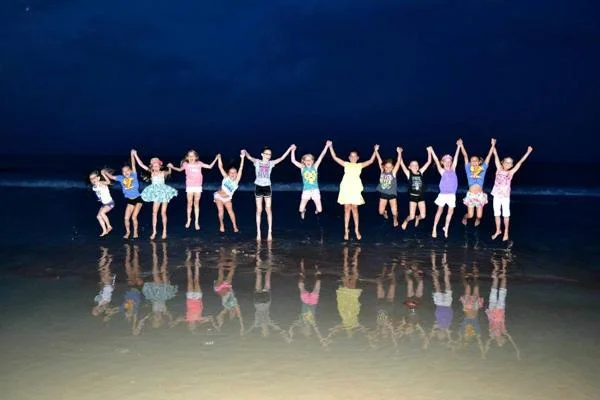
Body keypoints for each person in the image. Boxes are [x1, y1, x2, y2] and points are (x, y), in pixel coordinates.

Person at [243, 145, 295, 241]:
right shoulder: (257, 162)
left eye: (270, 154)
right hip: (258, 187)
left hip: (267, 187)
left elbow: (281, 158)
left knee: (268, 209)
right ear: (262, 154)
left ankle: (269, 232)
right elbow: (249, 157)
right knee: (259, 210)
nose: (268, 156)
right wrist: (245, 151)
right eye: (266, 154)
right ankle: (258, 233)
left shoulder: (271, 163)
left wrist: (290, 148)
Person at [329, 143, 379, 240]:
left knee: (355, 208)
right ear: (349, 157)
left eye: (355, 156)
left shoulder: (360, 165)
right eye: (351, 156)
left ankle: (356, 229)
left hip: (355, 188)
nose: (353, 158)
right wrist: (330, 147)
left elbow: (371, 161)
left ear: (357, 158)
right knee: (347, 208)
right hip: (346, 188)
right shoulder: (346, 164)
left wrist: (375, 150)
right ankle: (346, 230)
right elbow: (335, 157)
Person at [490, 144, 533, 241]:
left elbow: (520, 162)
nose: (508, 164)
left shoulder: (511, 172)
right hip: (496, 195)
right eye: (506, 162)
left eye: (510, 163)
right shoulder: (499, 168)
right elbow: (495, 155)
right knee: (496, 214)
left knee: (506, 215)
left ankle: (506, 232)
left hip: (505, 197)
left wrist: (528, 152)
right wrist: (493, 145)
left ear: (512, 165)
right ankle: (498, 231)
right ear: (502, 163)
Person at [168, 150, 219, 231]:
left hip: (198, 187)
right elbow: (180, 169)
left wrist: (216, 158)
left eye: (193, 156)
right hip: (189, 186)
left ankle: (196, 222)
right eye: (189, 156)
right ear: (187, 157)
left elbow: (209, 166)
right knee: (189, 203)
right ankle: (189, 219)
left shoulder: (199, 163)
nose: (191, 157)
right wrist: (172, 167)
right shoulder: (185, 164)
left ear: (196, 157)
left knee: (196, 204)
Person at [132, 150, 177, 240]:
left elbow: (169, 172)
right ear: (151, 167)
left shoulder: (163, 173)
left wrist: (170, 167)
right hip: (155, 194)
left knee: (163, 212)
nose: (155, 167)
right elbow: (141, 164)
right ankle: (154, 231)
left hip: (164, 192)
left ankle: (164, 231)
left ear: (160, 166)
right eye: (154, 166)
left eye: (157, 165)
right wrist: (135, 154)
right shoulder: (151, 172)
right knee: (154, 213)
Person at [101, 150, 143, 239]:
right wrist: (105, 172)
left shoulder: (134, 175)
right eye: (124, 171)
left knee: (134, 217)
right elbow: (112, 177)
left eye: (127, 170)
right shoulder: (121, 178)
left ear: (131, 171)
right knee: (126, 218)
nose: (126, 172)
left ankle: (135, 232)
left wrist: (132, 154)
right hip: (130, 200)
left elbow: (133, 165)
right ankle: (128, 232)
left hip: (138, 199)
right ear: (122, 173)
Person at [459, 139, 496, 227]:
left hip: (480, 195)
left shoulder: (483, 169)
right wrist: (461, 145)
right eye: (472, 160)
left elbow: (489, 156)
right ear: (470, 162)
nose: (474, 161)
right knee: (470, 215)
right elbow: (465, 155)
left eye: (476, 160)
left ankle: (478, 219)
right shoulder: (468, 169)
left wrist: (493, 145)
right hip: (471, 195)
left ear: (479, 162)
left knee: (479, 216)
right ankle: (465, 217)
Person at [290, 141, 331, 219]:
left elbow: (322, 156)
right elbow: (293, 161)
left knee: (320, 210)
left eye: (310, 160)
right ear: (304, 161)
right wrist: (293, 150)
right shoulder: (302, 168)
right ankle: (304, 211)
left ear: (313, 161)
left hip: (315, 190)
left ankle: (316, 211)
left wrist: (327, 146)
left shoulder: (315, 167)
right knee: (300, 209)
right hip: (306, 191)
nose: (308, 161)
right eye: (306, 160)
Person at [430, 141, 461, 238]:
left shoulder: (453, 169)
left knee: (450, 212)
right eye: (446, 161)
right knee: (439, 211)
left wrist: (459, 146)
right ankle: (434, 228)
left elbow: (456, 157)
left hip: (452, 195)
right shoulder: (442, 170)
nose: (448, 163)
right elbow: (436, 159)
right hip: (443, 194)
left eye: (449, 161)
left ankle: (446, 227)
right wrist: (431, 150)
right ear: (442, 163)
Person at [398, 147, 433, 230]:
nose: (415, 166)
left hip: (421, 197)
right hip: (412, 197)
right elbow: (401, 162)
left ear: (418, 166)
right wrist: (400, 152)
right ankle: (406, 221)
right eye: (413, 165)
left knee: (423, 216)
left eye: (416, 165)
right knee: (411, 216)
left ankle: (418, 218)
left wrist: (429, 151)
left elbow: (429, 162)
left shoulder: (421, 172)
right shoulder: (408, 173)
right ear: (409, 167)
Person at [214, 151, 245, 233]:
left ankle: (234, 226)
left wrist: (242, 158)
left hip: (228, 198)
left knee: (231, 212)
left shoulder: (236, 181)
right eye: (231, 172)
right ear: (228, 173)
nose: (233, 174)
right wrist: (219, 158)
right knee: (221, 211)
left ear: (237, 174)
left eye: (234, 172)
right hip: (218, 196)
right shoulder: (226, 177)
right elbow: (220, 167)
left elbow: (241, 168)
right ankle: (221, 224)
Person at [374, 147, 402, 227]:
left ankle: (395, 219)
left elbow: (398, 162)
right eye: (386, 167)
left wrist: (399, 153)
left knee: (394, 212)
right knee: (380, 212)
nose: (388, 168)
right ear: (383, 167)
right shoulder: (382, 171)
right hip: (383, 194)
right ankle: (385, 213)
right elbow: (379, 160)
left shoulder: (393, 173)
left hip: (392, 195)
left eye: (390, 167)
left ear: (393, 167)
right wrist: (376, 151)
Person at [89, 171, 114, 237]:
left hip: (110, 203)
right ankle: (104, 231)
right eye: (91, 179)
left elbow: (108, 182)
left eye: (94, 178)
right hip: (104, 204)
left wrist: (104, 174)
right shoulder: (94, 187)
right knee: (98, 216)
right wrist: (99, 198)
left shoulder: (101, 183)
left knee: (102, 213)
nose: (92, 179)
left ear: (98, 178)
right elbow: (98, 193)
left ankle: (109, 226)